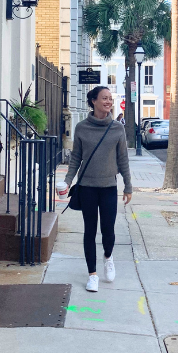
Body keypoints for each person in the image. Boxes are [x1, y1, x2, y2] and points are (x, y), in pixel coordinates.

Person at [61, 86, 132, 292]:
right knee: (89, 231)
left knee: (108, 231)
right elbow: (75, 158)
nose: (108, 102)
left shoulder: (117, 128)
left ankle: (108, 257)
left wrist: (128, 186)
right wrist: (66, 181)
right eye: (104, 98)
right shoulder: (82, 128)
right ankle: (92, 274)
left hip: (109, 186)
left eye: (110, 99)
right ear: (93, 101)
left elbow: (123, 159)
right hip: (88, 188)